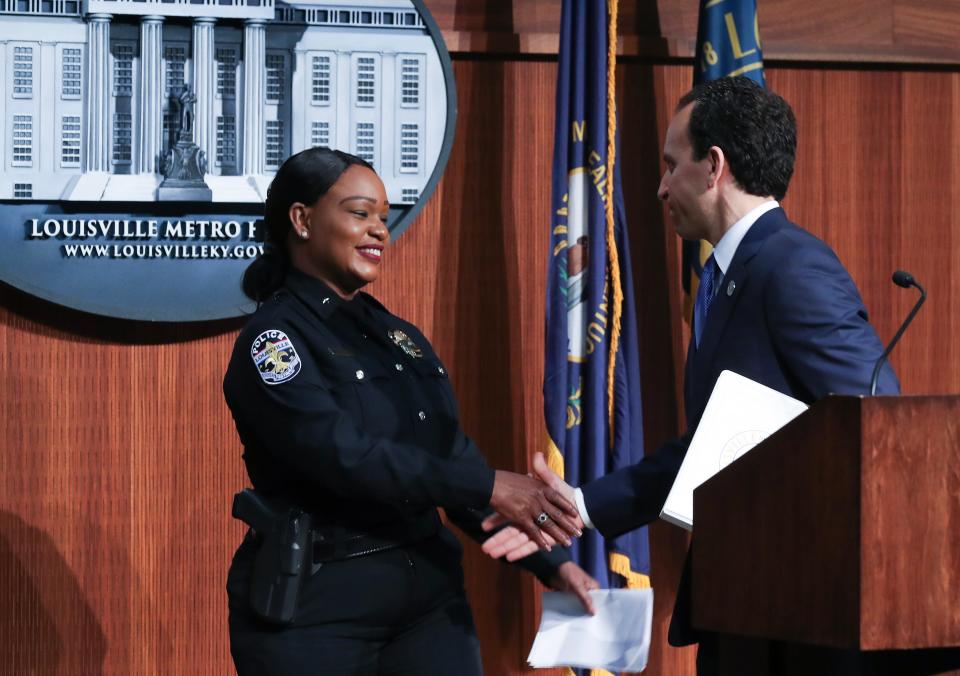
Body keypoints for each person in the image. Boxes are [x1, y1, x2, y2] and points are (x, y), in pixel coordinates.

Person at [482, 77, 904, 673]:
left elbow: (876, 426)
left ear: (714, 166)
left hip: (806, 612)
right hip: (747, 603)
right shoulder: (730, 275)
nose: (659, 187)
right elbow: (716, 446)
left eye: (670, 165)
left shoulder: (791, 265)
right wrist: (579, 504)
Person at [223, 147, 597, 676]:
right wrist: (491, 485)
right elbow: (343, 457)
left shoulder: (398, 336)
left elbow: (450, 460)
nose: (379, 230)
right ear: (303, 220)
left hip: (429, 601)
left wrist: (551, 565)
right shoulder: (275, 341)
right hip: (318, 611)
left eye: (383, 216)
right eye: (359, 213)